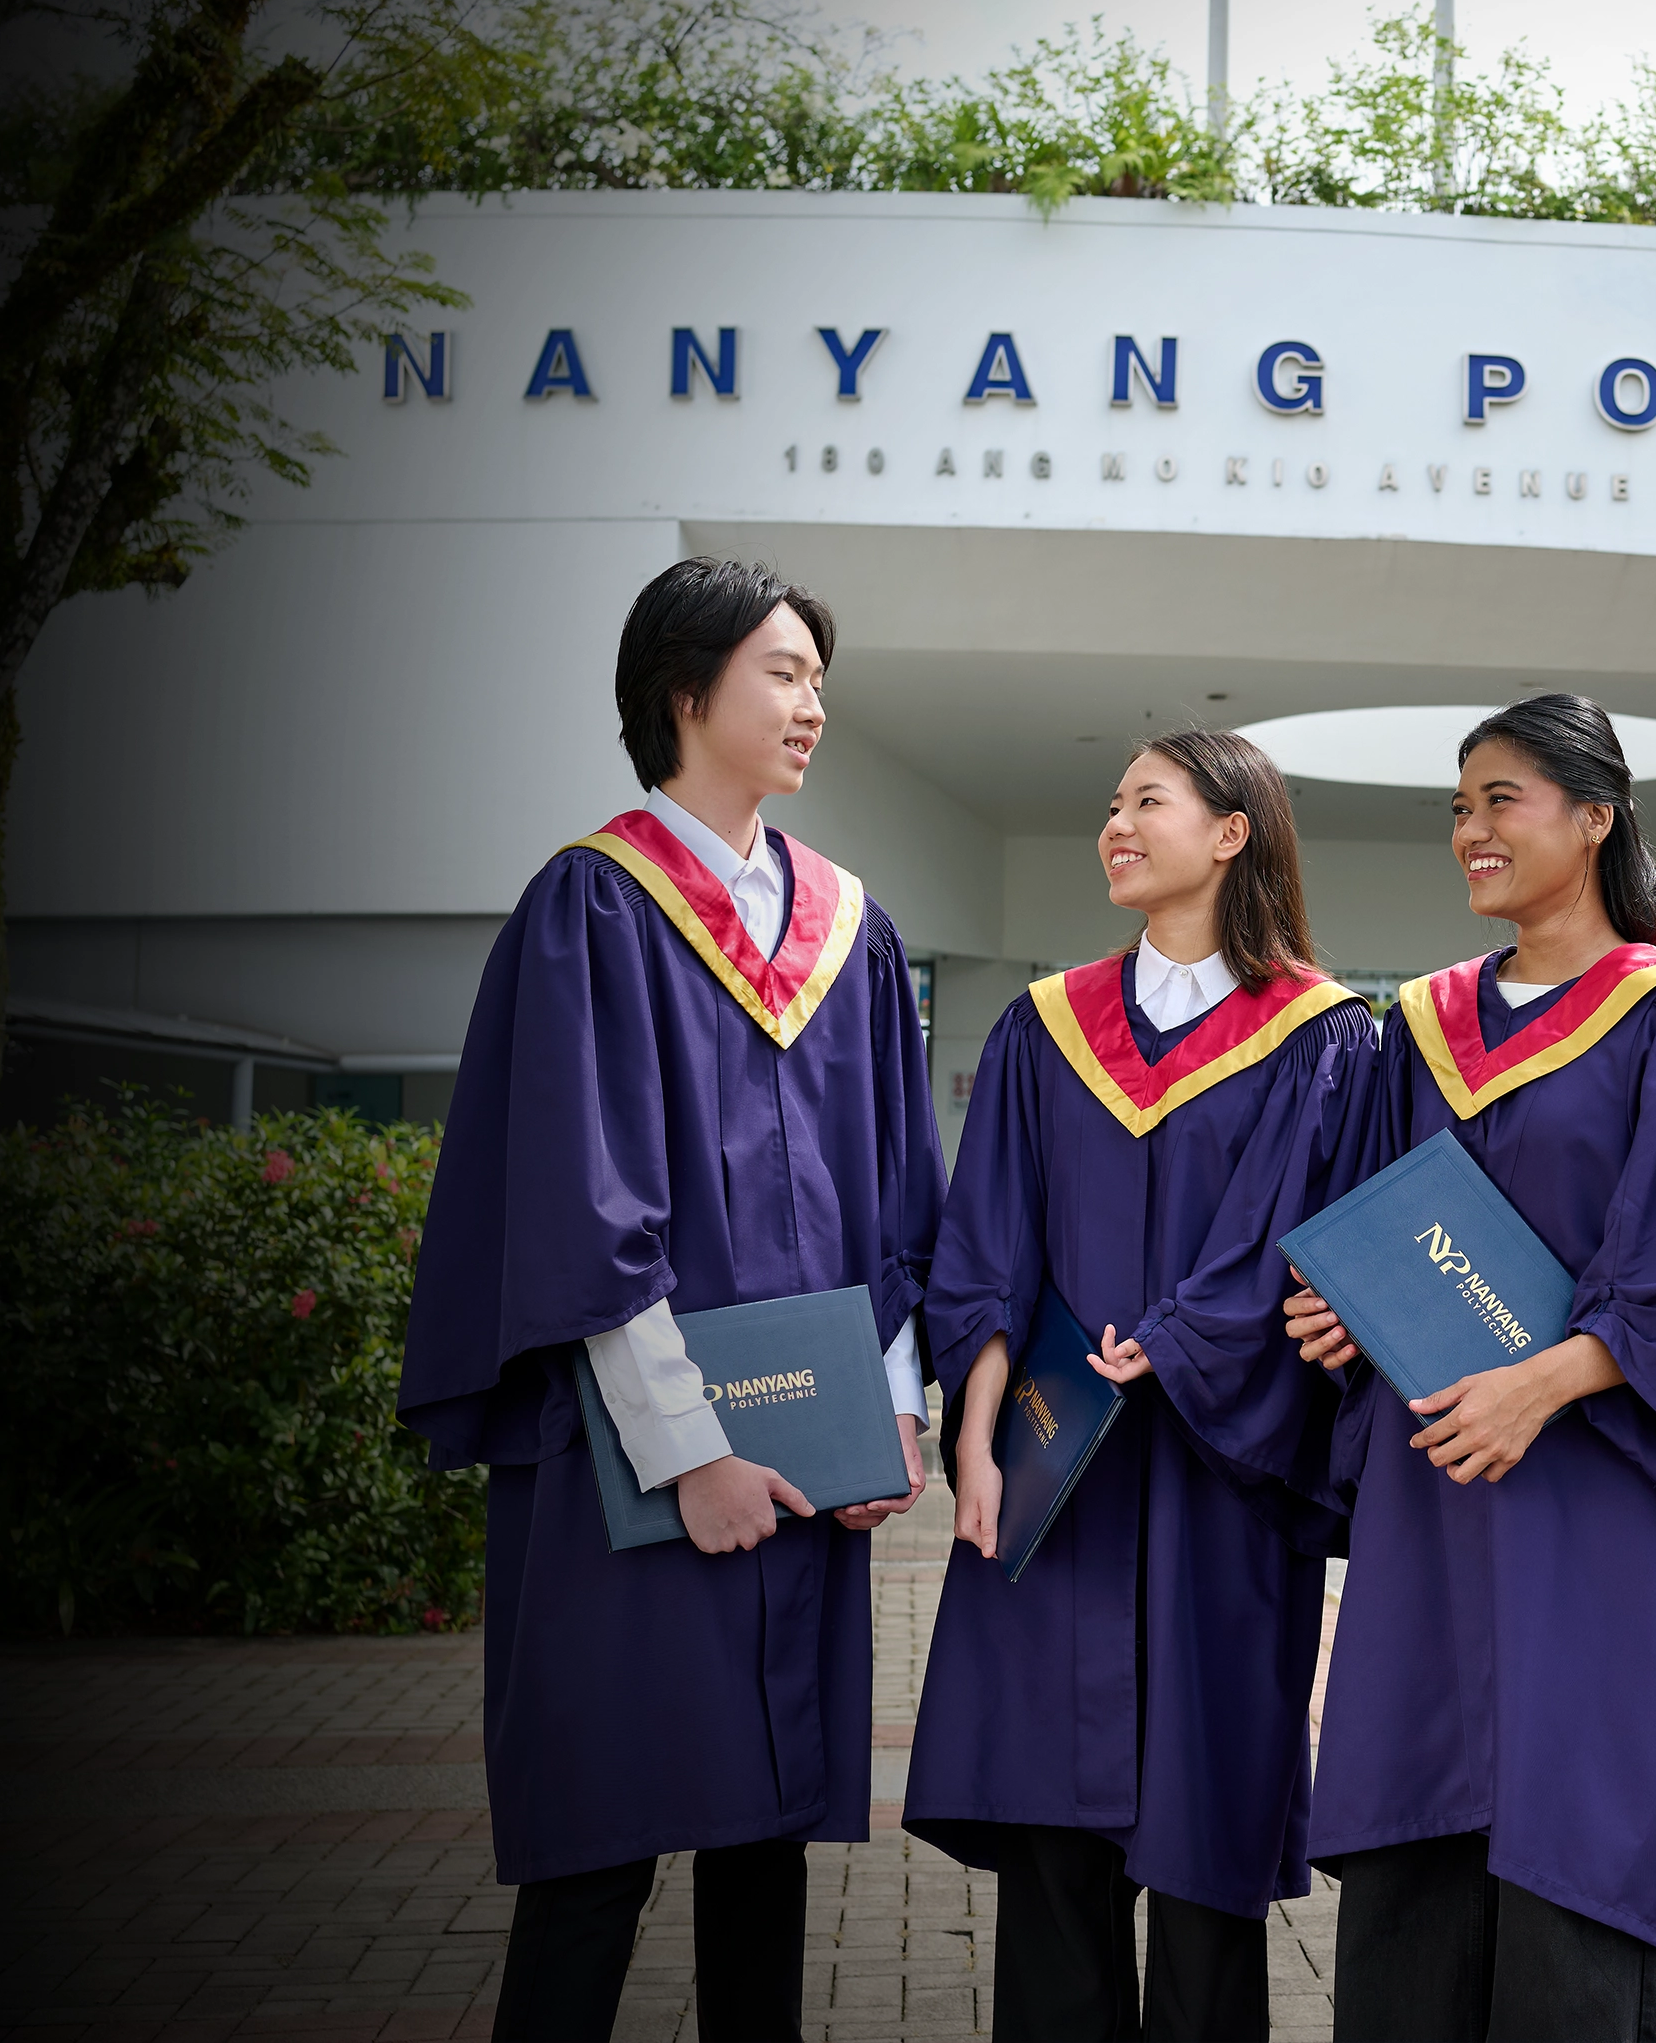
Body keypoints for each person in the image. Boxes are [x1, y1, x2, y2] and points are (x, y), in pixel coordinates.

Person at [398, 557, 943, 2041]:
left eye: (819, 676)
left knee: (765, 1838)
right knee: (599, 1847)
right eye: (781, 671)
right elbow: (585, 1212)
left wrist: (890, 1413)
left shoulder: (849, 928)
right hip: (627, 1465)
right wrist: (691, 1452)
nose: (812, 703)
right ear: (681, 690)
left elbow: (899, 1202)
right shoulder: (594, 906)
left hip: (812, 1467)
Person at [1279, 694, 1656, 2043]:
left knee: (1577, 1834)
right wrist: (1341, 1315)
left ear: (1595, 818)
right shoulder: (1417, 1027)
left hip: (1596, 1495)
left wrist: (1541, 1385)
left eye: (1501, 800)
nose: (1469, 831)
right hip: (1434, 1498)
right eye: (1458, 807)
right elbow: (1376, 1229)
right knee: (1423, 1819)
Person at [902, 731, 1388, 2042]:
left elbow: (1315, 1250)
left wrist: (1187, 1341)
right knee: (1054, 1856)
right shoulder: (1042, 1029)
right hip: (1058, 1475)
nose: (1115, 824)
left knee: (1203, 1849)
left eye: (1147, 802)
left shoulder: (1325, 1041)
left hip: (1218, 1486)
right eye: (1111, 805)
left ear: (1232, 833)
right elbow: (984, 1244)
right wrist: (981, 1438)